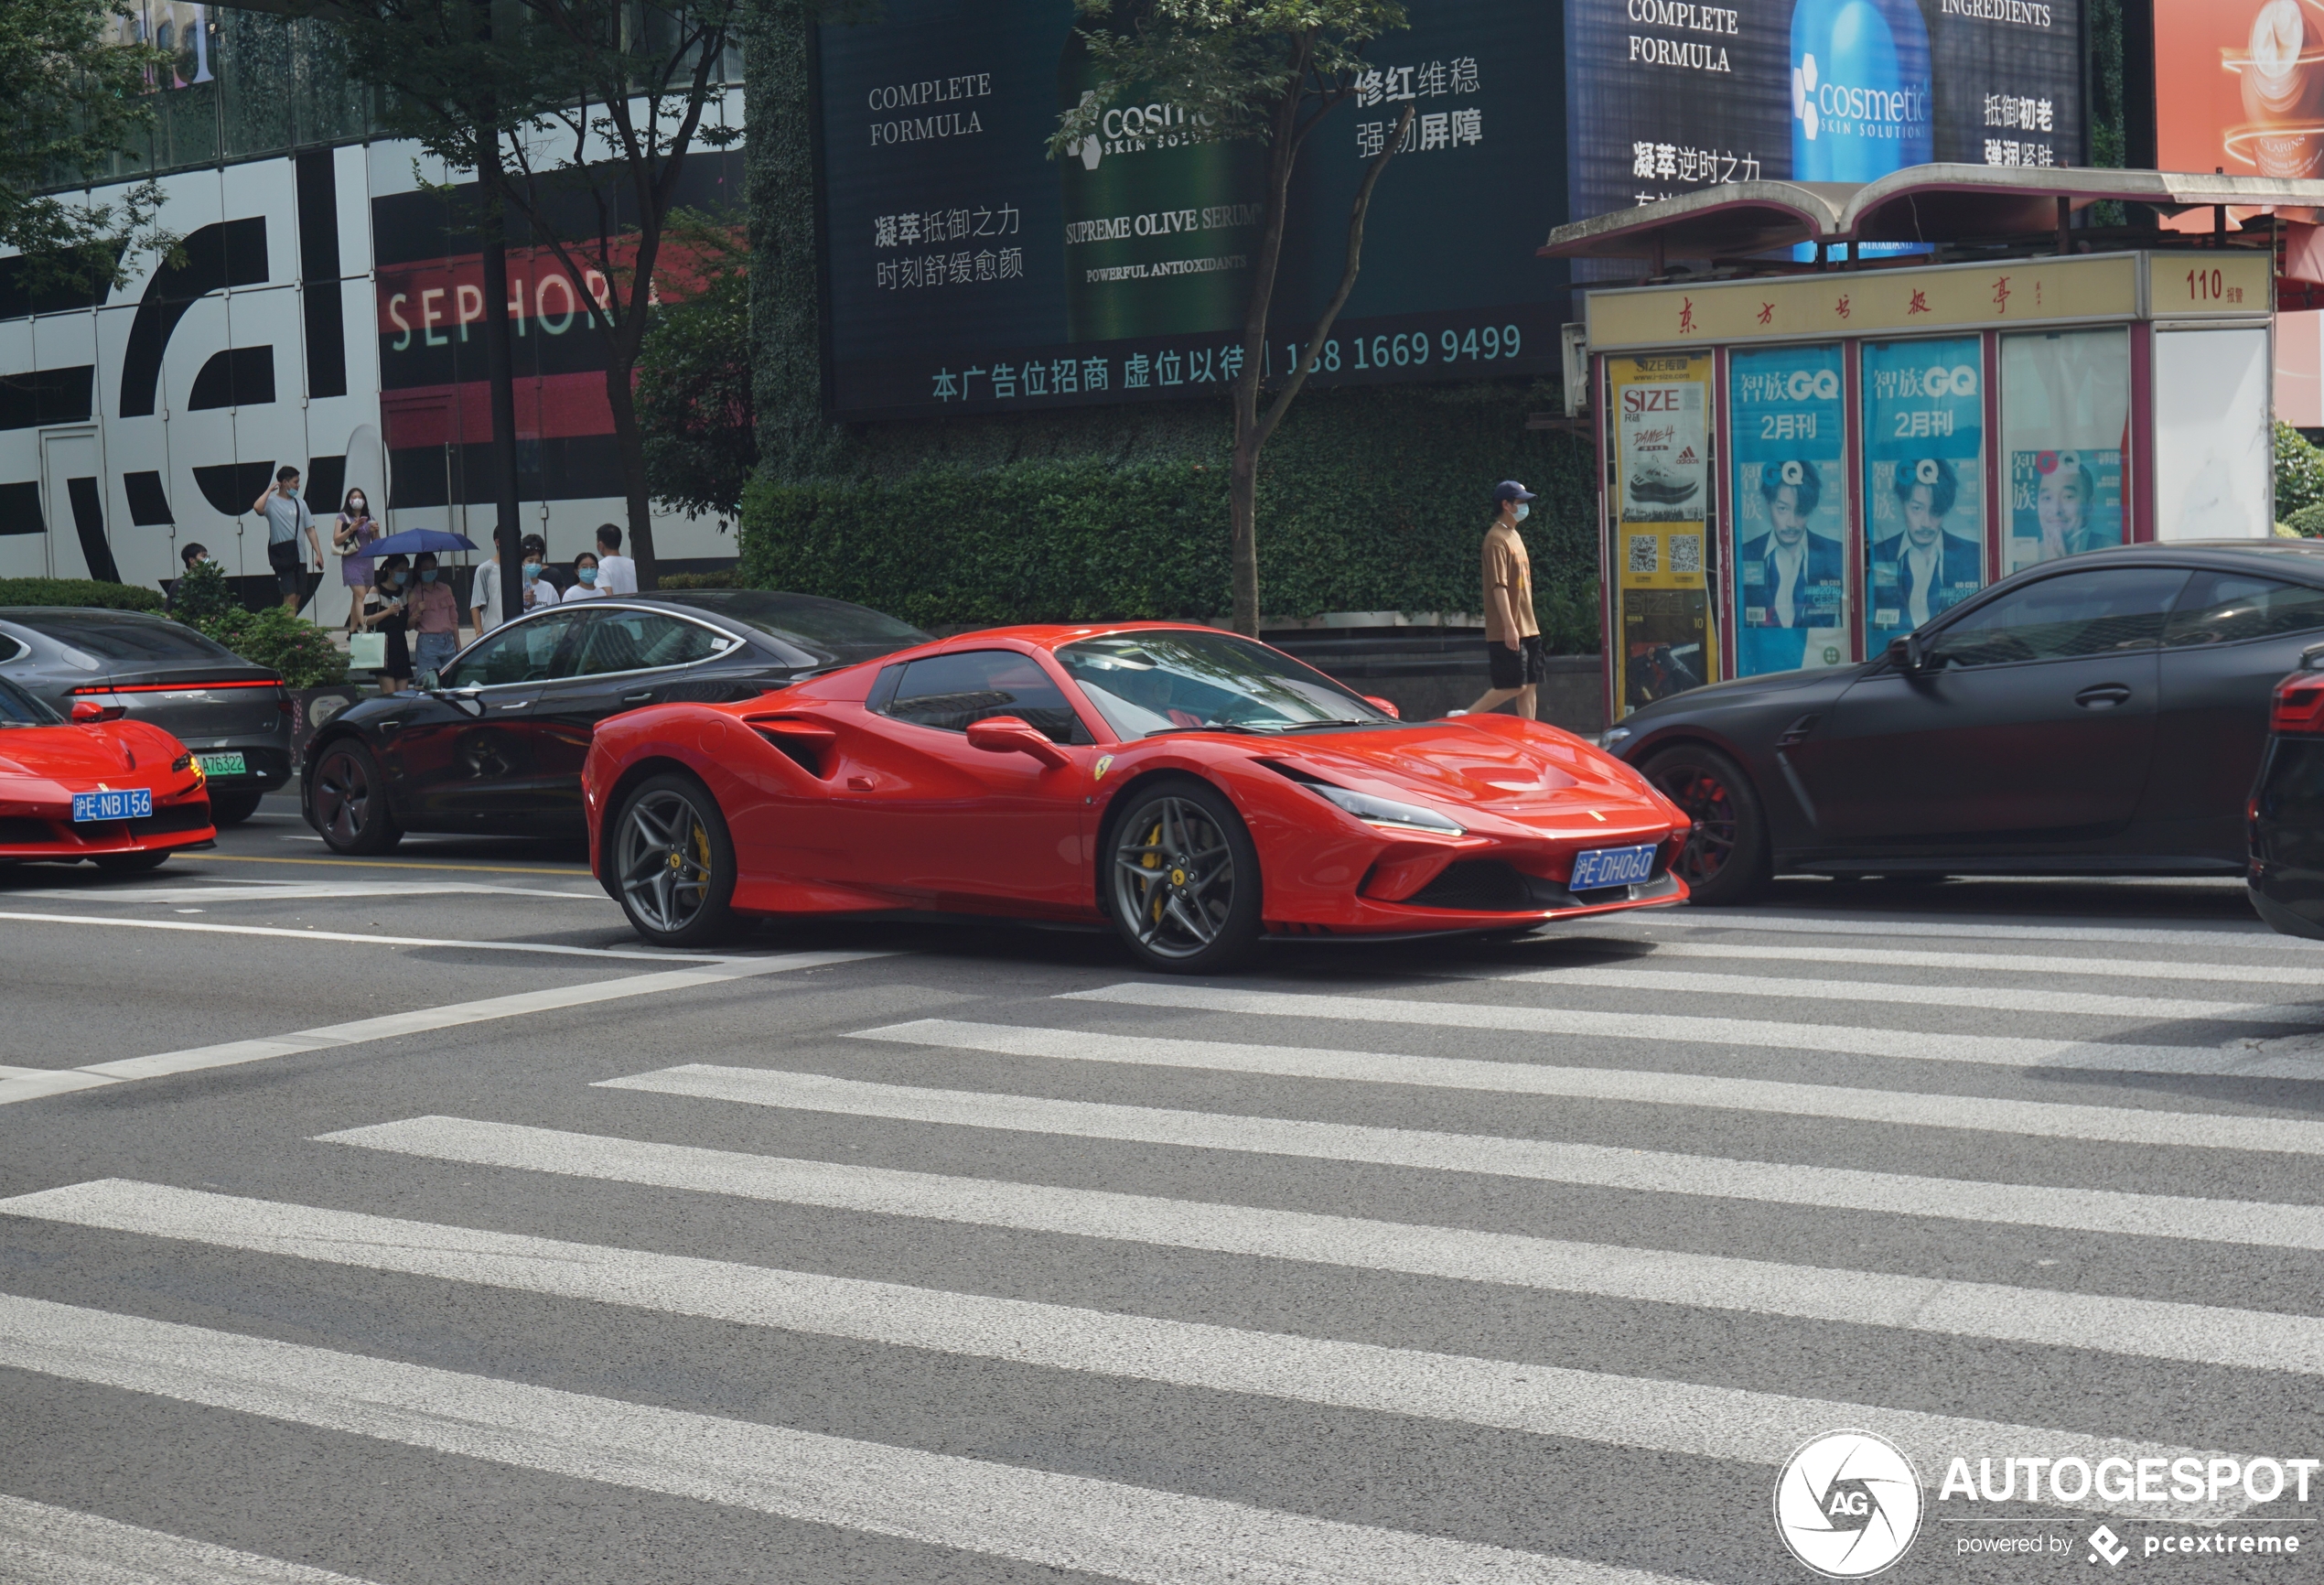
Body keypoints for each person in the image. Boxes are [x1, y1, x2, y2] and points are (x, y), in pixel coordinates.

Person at [1467, 481, 1541, 719]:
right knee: (1512, 685)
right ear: (1506, 505)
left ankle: (1529, 738)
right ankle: (1463, 717)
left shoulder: (1513, 535)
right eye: (1520, 502)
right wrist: (1510, 626)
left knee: (1530, 686)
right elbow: (1498, 586)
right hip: (1509, 629)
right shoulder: (1495, 539)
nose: (1525, 506)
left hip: (1528, 626)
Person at [1740, 460, 1844, 629]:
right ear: (1768, 504)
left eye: (1801, 511)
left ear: (1811, 509)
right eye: (1782, 509)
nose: (1791, 522)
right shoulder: (1746, 554)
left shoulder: (1835, 554)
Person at [1889, 458, 1983, 630]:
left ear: (1946, 510)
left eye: (1936, 511)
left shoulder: (1972, 555)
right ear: (1902, 505)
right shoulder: (1881, 553)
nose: (1926, 523)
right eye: (1917, 508)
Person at [251, 465, 324, 613]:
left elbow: (310, 529)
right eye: (295, 482)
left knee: (296, 597)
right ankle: (286, 633)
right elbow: (257, 508)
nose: (298, 485)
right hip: (283, 556)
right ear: (285, 483)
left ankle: (288, 628)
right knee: (289, 595)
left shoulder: (301, 504)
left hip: (300, 557)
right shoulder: (271, 502)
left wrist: (318, 553)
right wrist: (269, 490)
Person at [2037, 452, 2114, 560]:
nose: (2056, 510)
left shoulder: (2113, 553)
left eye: (2068, 497)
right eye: (2047, 498)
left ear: (2090, 506)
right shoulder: (2025, 562)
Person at [470, 533, 549, 634]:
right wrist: (479, 633)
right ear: (497, 542)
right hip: (493, 633)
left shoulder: (521, 570)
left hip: (517, 633)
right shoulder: (484, 570)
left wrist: (530, 600)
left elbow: (529, 604)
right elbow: (476, 604)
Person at [360, 555, 414, 695]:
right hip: (383, 647)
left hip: (400, 647)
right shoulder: (375, 591)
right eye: (400, 570)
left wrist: (417, 614)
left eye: (406, 571)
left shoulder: (405, 593)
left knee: (403, 695)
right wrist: (388, 611)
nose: (404, 574)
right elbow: (366, 620)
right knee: (390, 695)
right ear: (390, 570)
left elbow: (406, 626)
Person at [405, 551, 462, 680]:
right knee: (430, 681)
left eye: (433, 568)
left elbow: (453, 620)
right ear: (419, 571)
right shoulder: (414, 594)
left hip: (448, 641)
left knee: (450, 680)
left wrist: (458, 645)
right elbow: (408, 626)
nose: (430, 572)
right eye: (426, 569)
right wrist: (416, 613)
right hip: (428, 643)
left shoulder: (445, 589)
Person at [331, 487, 379, 633]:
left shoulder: (369, 517)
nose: (357, 500)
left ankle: (352, 630)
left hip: (367, 562)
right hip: (351, 561)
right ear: (349, 500)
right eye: (354, 497)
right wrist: (351, 529)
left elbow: (376, 543)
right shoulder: (343, 517)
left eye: (360, 497)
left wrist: (375, 530)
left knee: (357, 597)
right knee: (361, 596)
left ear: (364, 500)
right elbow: (337, 539)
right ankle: (365, 627)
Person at [594, 523, 637, 595]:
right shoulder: (634, 564)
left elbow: (607, 595)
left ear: (600, 545)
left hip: (616, 606)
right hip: (635, 605)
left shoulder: (601, 567)